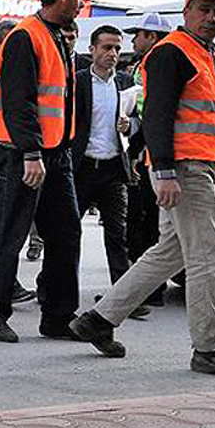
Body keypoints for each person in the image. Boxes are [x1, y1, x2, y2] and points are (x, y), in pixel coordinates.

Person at [71, 0, 215, 381]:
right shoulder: (172, 52)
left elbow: (208, 122)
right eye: (204, 9)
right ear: (186, 13)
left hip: (199, 167)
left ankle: (100, 319)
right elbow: (156, 116)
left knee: (170, 251)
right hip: (183, 170)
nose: (212, 17)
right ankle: (211, 348)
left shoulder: (208, 56)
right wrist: (165, 171)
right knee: (210, 257)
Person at [0, 0, 85, 343]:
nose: (81, 5)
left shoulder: (56, 36)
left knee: (66, 233)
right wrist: (31, 152)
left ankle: (57, 316)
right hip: (22, 153)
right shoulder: (26, 36)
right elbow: (18, 101)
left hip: (55, 153)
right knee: (7, 233)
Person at [72, 24, 144, 319]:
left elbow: (140, 119)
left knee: (118, 235)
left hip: (113, 169)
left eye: (116, 48)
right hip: (82, 167)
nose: (112, 53)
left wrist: (131, 126)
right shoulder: (77, 82)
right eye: (106, 47)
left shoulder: (125, 82)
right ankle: (54, 291)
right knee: (67, 233)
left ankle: (123, 300)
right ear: (92, 50)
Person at [123, 11, 172, 307]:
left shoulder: (150, 66)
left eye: (138, 35)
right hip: (153, 154)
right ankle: (150, 290)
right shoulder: (152, 64)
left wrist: (134, 151)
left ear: (152, 37)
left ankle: (145, 291)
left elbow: (146, 112)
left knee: (143, 224)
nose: (133, 40)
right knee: (153, 225)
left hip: (147, 155)